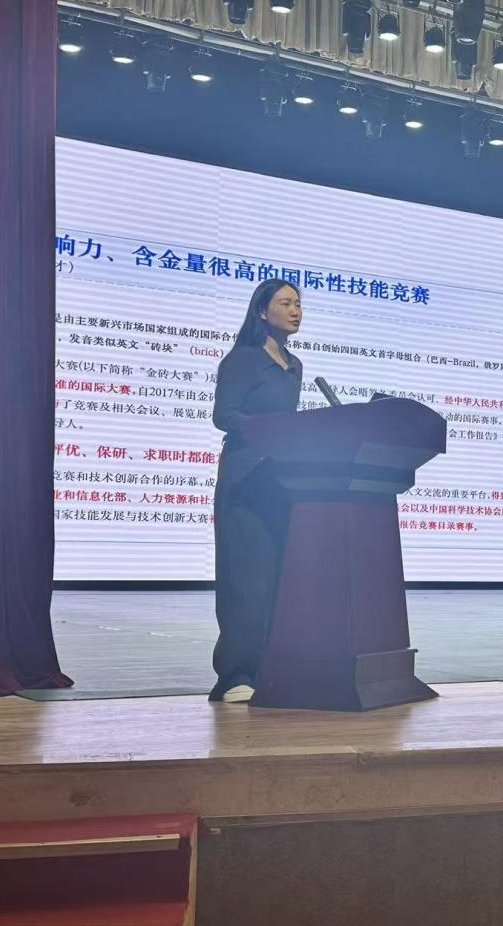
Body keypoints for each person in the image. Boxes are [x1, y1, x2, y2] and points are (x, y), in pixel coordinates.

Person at [208, 279, 304, 703]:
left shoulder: (294, 365)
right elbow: (224, 415)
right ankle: (234, 675)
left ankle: (268, 669)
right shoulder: (243, 359)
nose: (295, 310)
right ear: (262, 311)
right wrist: (270, 431)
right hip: (245, 478)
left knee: (275, 577)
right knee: (246, 578)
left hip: (281, 480)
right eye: (286, 303)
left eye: (298, 303)